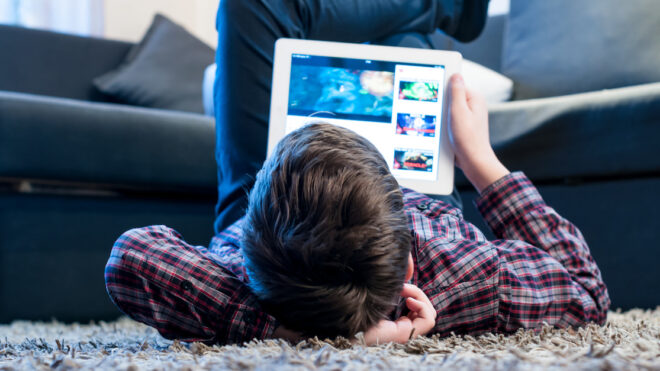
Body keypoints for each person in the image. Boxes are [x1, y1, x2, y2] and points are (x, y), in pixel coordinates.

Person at [104, 0, 610, 345]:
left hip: (270, 232)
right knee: (409, 41)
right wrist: (482, 161)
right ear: (411, 269)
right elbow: (587, 295)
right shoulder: (467, 271)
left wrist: (289, 331)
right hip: (325, 227)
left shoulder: (242, 270)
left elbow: (132, 257)